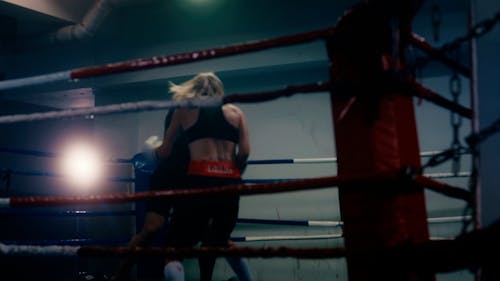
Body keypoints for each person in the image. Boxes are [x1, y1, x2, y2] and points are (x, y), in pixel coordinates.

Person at [156, 72, 251, 281]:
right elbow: (244, 152)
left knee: (173, 252)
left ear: (193, 89)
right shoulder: (236, 113)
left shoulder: (185, 109)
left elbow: (165, 150)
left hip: (200, 180)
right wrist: (233, 174)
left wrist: (155, 150)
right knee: (221, 242)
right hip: (230, 183)